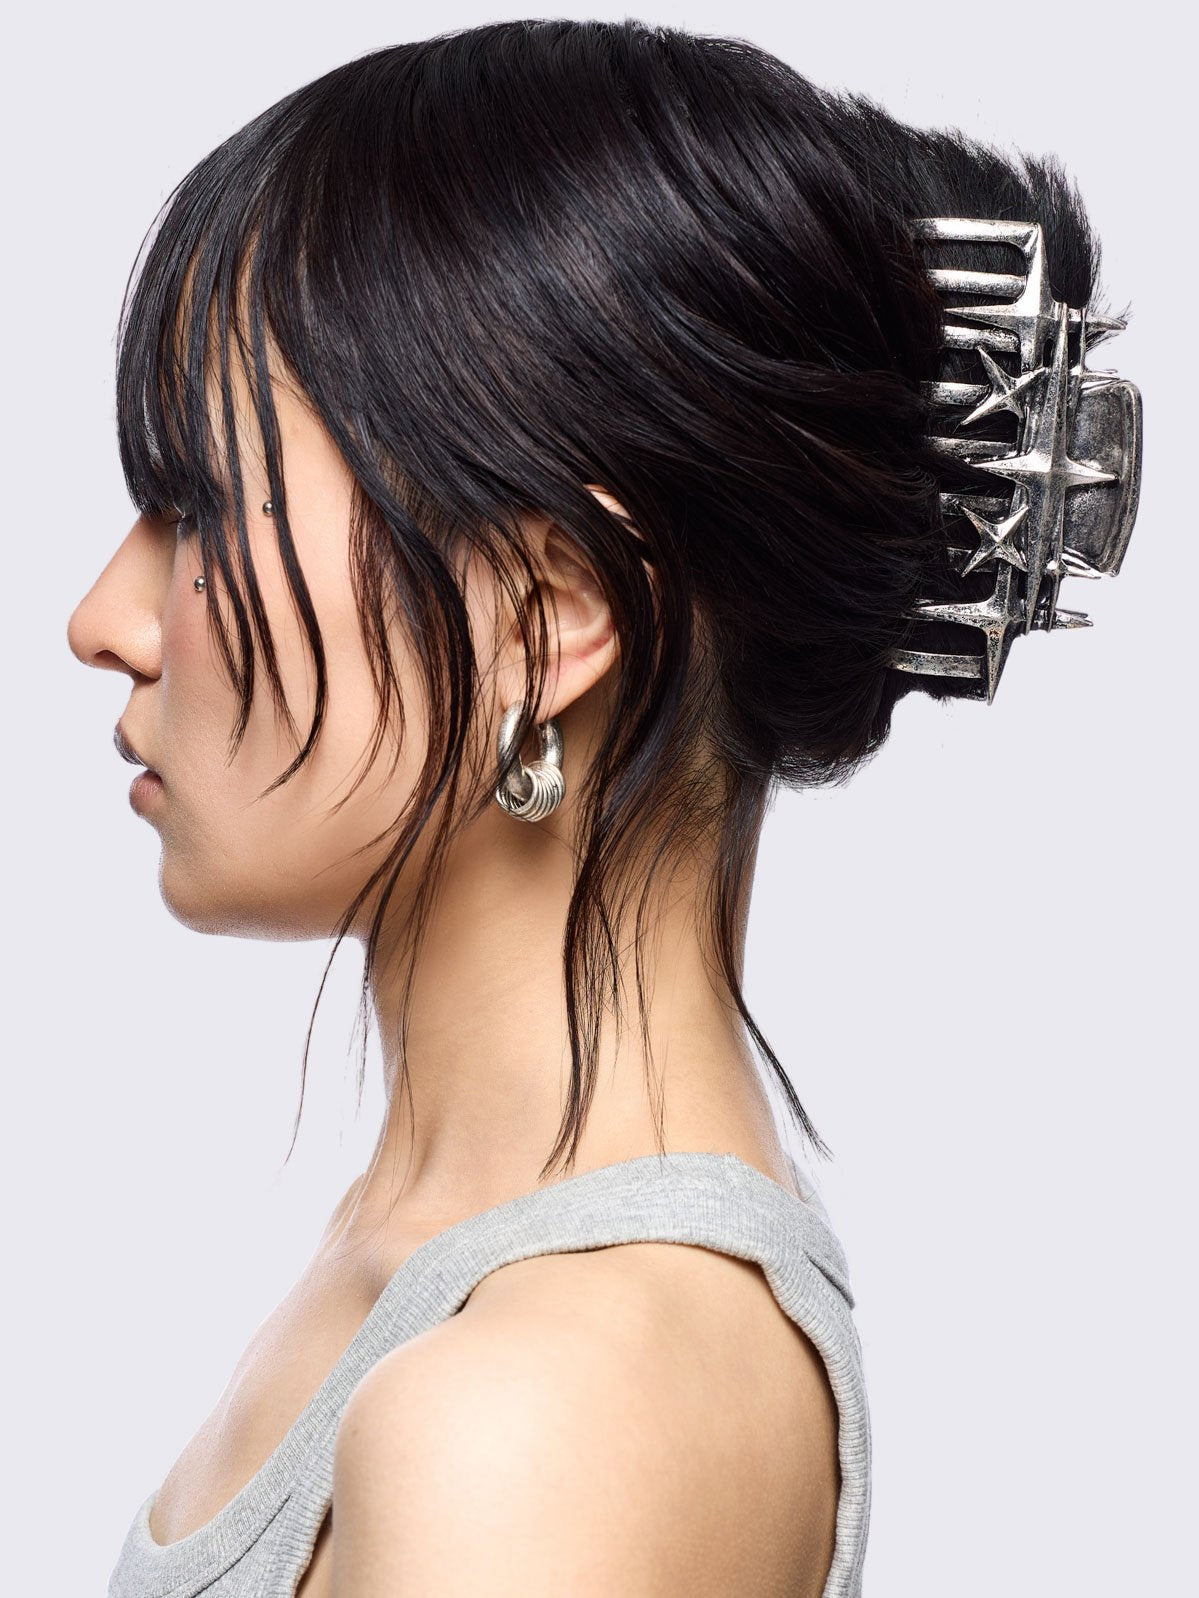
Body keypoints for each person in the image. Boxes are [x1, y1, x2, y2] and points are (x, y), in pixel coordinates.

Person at [67, 18, 1142, 1598]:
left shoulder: (542, 1409)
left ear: (539, 621)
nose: (106, 617)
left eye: (199, 507)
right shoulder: (454, 1274)